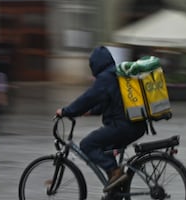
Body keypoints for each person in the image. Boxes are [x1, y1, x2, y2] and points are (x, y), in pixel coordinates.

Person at [55, 46, 147, 192]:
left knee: (87, 144)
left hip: (124, 126)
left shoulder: (106, 77)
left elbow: (89, 97)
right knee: (104, 148)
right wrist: (91, 112)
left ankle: (115, 172)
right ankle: (115, 188)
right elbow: (108, 102)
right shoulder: (116, 74)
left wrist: (67, 111)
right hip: (136, 125)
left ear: (95, 65)